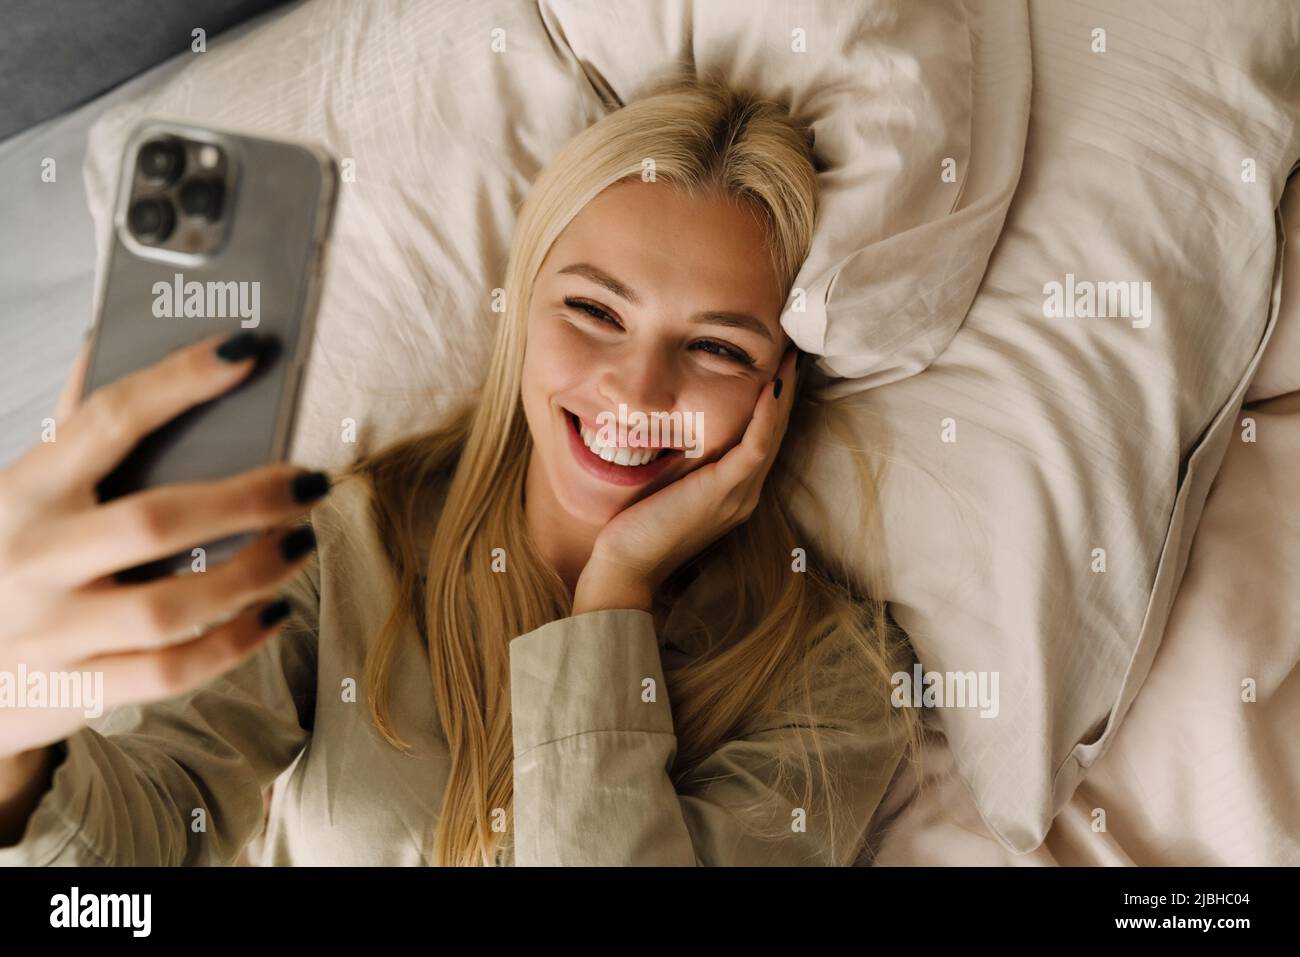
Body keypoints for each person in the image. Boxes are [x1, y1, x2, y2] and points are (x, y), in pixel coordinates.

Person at [0, 72, 920, 866]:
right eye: (596, 311)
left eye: (717, 347)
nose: (637, 389)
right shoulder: (346, 546)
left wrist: (615, 594)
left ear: (779, 388)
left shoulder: (838, 685)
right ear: (521, 309)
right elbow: (124, 865)